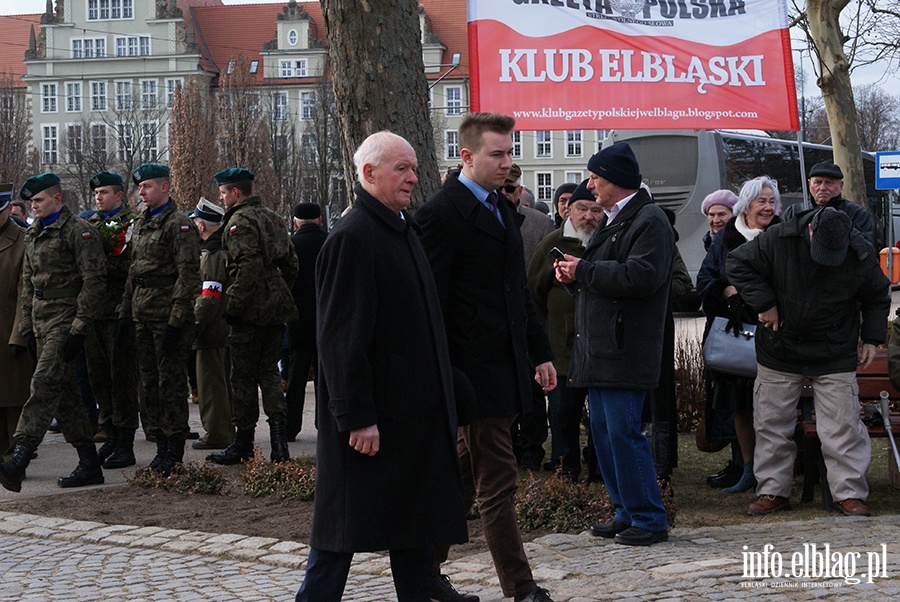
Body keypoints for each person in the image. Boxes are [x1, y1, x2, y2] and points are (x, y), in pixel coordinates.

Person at [295, 131, 468, 602]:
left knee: (414, 529)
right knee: (338, 539)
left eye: (414, 167)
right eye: (402, 169)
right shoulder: (352, 237)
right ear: (369, 174)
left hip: (410, 418)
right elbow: (340, 340)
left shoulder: (400, 227)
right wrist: (357, 416)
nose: (414, 177)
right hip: (372, 423)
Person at [416, 112, 557, 602]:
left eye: (509, 152)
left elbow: (515, 293)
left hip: (504, 369)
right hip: (471, 375)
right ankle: (521, 589)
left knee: (459, 477)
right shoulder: (440, 214)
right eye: (496, 154)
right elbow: (429, 304)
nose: (507, 163)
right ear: (467, 157)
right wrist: (448, 375)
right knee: (497, 483)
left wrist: (540, 353)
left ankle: (423, 573)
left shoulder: (501, 209)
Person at [727, 206, 888, 517]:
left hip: (834, 348)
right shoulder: (778, 237)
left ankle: (849, 493)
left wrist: (871, 337)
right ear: (811, 231)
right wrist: (764, 303)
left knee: (842, 425)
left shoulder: (859, 251)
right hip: (780, 345)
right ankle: (774, 490)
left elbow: (877, 295)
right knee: (772, 423)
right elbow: (738, 263)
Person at [555, 142, 672, 546]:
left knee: (623, 432)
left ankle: (649, 518)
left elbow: (641, 276)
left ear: (617, 181)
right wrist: (576, 277)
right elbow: (608, 277)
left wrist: (583, 270)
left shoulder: (649, 219)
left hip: (625, 347)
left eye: (596, 178)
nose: (590, 185)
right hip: (604, 346)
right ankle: (626, 511)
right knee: (604, 433)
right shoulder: (616, 219)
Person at [0, 173, 107, 493]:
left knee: (43, 383)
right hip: (41, 325)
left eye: (39, 201)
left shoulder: (79, 232)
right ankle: (89, 463)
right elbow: (29, 284)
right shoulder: (33, 232)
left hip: (67, 322)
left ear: (57, 199)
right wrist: (26, 329)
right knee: (66, 397)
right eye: (31, 202)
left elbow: (94, 282)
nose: (33, 206)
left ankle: (17, 458)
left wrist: (79, 328)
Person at [207, 168, 298, 466]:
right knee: (270, 372)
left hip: (248, 311)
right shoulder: (272, 217)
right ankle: (279, 443)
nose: (221, 199)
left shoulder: (239, 221)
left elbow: (246, 268)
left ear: (235, 193)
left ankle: (243, 443)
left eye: (222, 193)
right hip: (275, 306)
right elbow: (291, 263)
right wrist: (278, 292)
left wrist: (232, 307)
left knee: (243, 377)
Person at [697, 177, 782, 494]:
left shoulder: (781, 234)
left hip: (773, 333)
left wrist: (744, 293)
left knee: (773, 407)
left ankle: (772, 471)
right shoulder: (725, 239)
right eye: (762, 201)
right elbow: (706, 278)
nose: (769, 207)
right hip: (734, 336)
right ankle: (747, 468)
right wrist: (723, 290)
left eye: (772, 201)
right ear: (746, 205)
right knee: (739, 405)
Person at [122, 163, 200, 477]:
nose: (141, 193)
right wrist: (125, 314)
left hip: (167, 315)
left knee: (170, 385)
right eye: (140, 188)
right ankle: (160, 447)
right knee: (150, 385)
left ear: (165, 187)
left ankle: (174, 451)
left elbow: (188, 276)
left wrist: (176, 320)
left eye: (147, 187)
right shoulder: (141, 223)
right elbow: (134, 272)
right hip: (142, 313)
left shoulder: (178, 225)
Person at [528, 180, 601, 481]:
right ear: (568, 211)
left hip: (599, 349)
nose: (588, 216)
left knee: (601, 418)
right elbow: (534, 293)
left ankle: (600, 468)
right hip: (562, 350)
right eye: (581, 209)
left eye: (595, 210)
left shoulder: (606, 242)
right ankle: (564, 468)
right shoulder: (551, 244)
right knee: (562, 415)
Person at [83, 171, 140, 469]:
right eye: (96, 193)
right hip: (93, 312)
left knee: (122, 379)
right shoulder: (90, 225)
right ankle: (111, 435)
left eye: (104, 193)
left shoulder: (132, 225)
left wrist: (105, 261)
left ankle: (126, 442)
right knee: (99, 378)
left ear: (119, 196)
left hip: (119, 311)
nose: (98, 197)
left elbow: (135, 266)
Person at [506, 164, 555, 472]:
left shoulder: (539, 223)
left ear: (520, 191)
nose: (505, 193)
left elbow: (551, 268)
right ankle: (509, 445)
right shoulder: (487, 218)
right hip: (499, 323)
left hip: (531, 316)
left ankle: (533, 446)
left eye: (510, 188)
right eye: (499, 188)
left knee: (534, 389)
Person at [189, 197, 234, 450]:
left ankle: (217, 433)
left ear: (202, 226)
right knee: (219, 381)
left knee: (211, 385)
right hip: (221, 327)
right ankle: (223, 429)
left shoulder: (210, 254)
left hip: (211, 329)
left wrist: (194, 325)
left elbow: (209, 297)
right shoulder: (221, 249)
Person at [285, 202, 327, 441]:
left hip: (298, 320)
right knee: (324, 375)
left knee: (296, 376)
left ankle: (291, 427)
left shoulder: (291, 245)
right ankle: (324, 424)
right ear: (320, 220)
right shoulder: (331, 241)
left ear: (295, 222)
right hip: (326, 319)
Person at [0, 184, 32, 462]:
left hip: (9, 328)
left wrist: (18, 336)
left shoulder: (22, 240)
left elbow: (25, 292)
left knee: (12, 398)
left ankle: (14, 459)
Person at [781, 161, 875, 246]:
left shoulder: (856, 214)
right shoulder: (794, 212)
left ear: (841, 185)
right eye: (818, 182)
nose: (822, 188)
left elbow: (866, 250)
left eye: (829, 183)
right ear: (809, 184)